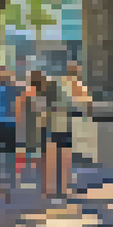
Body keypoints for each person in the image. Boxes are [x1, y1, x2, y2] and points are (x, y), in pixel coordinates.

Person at [43, 65, 78, 199]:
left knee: (54, 158)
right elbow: (76, 105)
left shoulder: (56, 84)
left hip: (55, 124)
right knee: (64, 158)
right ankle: (62, 188)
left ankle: (52, 188)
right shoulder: (71, 86)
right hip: (64, 124)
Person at [0, 69, 20, 202]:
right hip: (7, 125)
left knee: (2, 154)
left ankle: (1, 183)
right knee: (7, 154)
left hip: (2, 125)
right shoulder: (13, 91)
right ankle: (7, 183)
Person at [18, 70, 50, 193]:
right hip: (37, 127)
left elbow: (19, 109)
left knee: (25, 152)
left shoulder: (25, 92)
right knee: (39, 154)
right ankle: (39, 181)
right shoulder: (38, 94)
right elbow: (42, 113)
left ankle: (24, 179)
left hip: (27, 126)